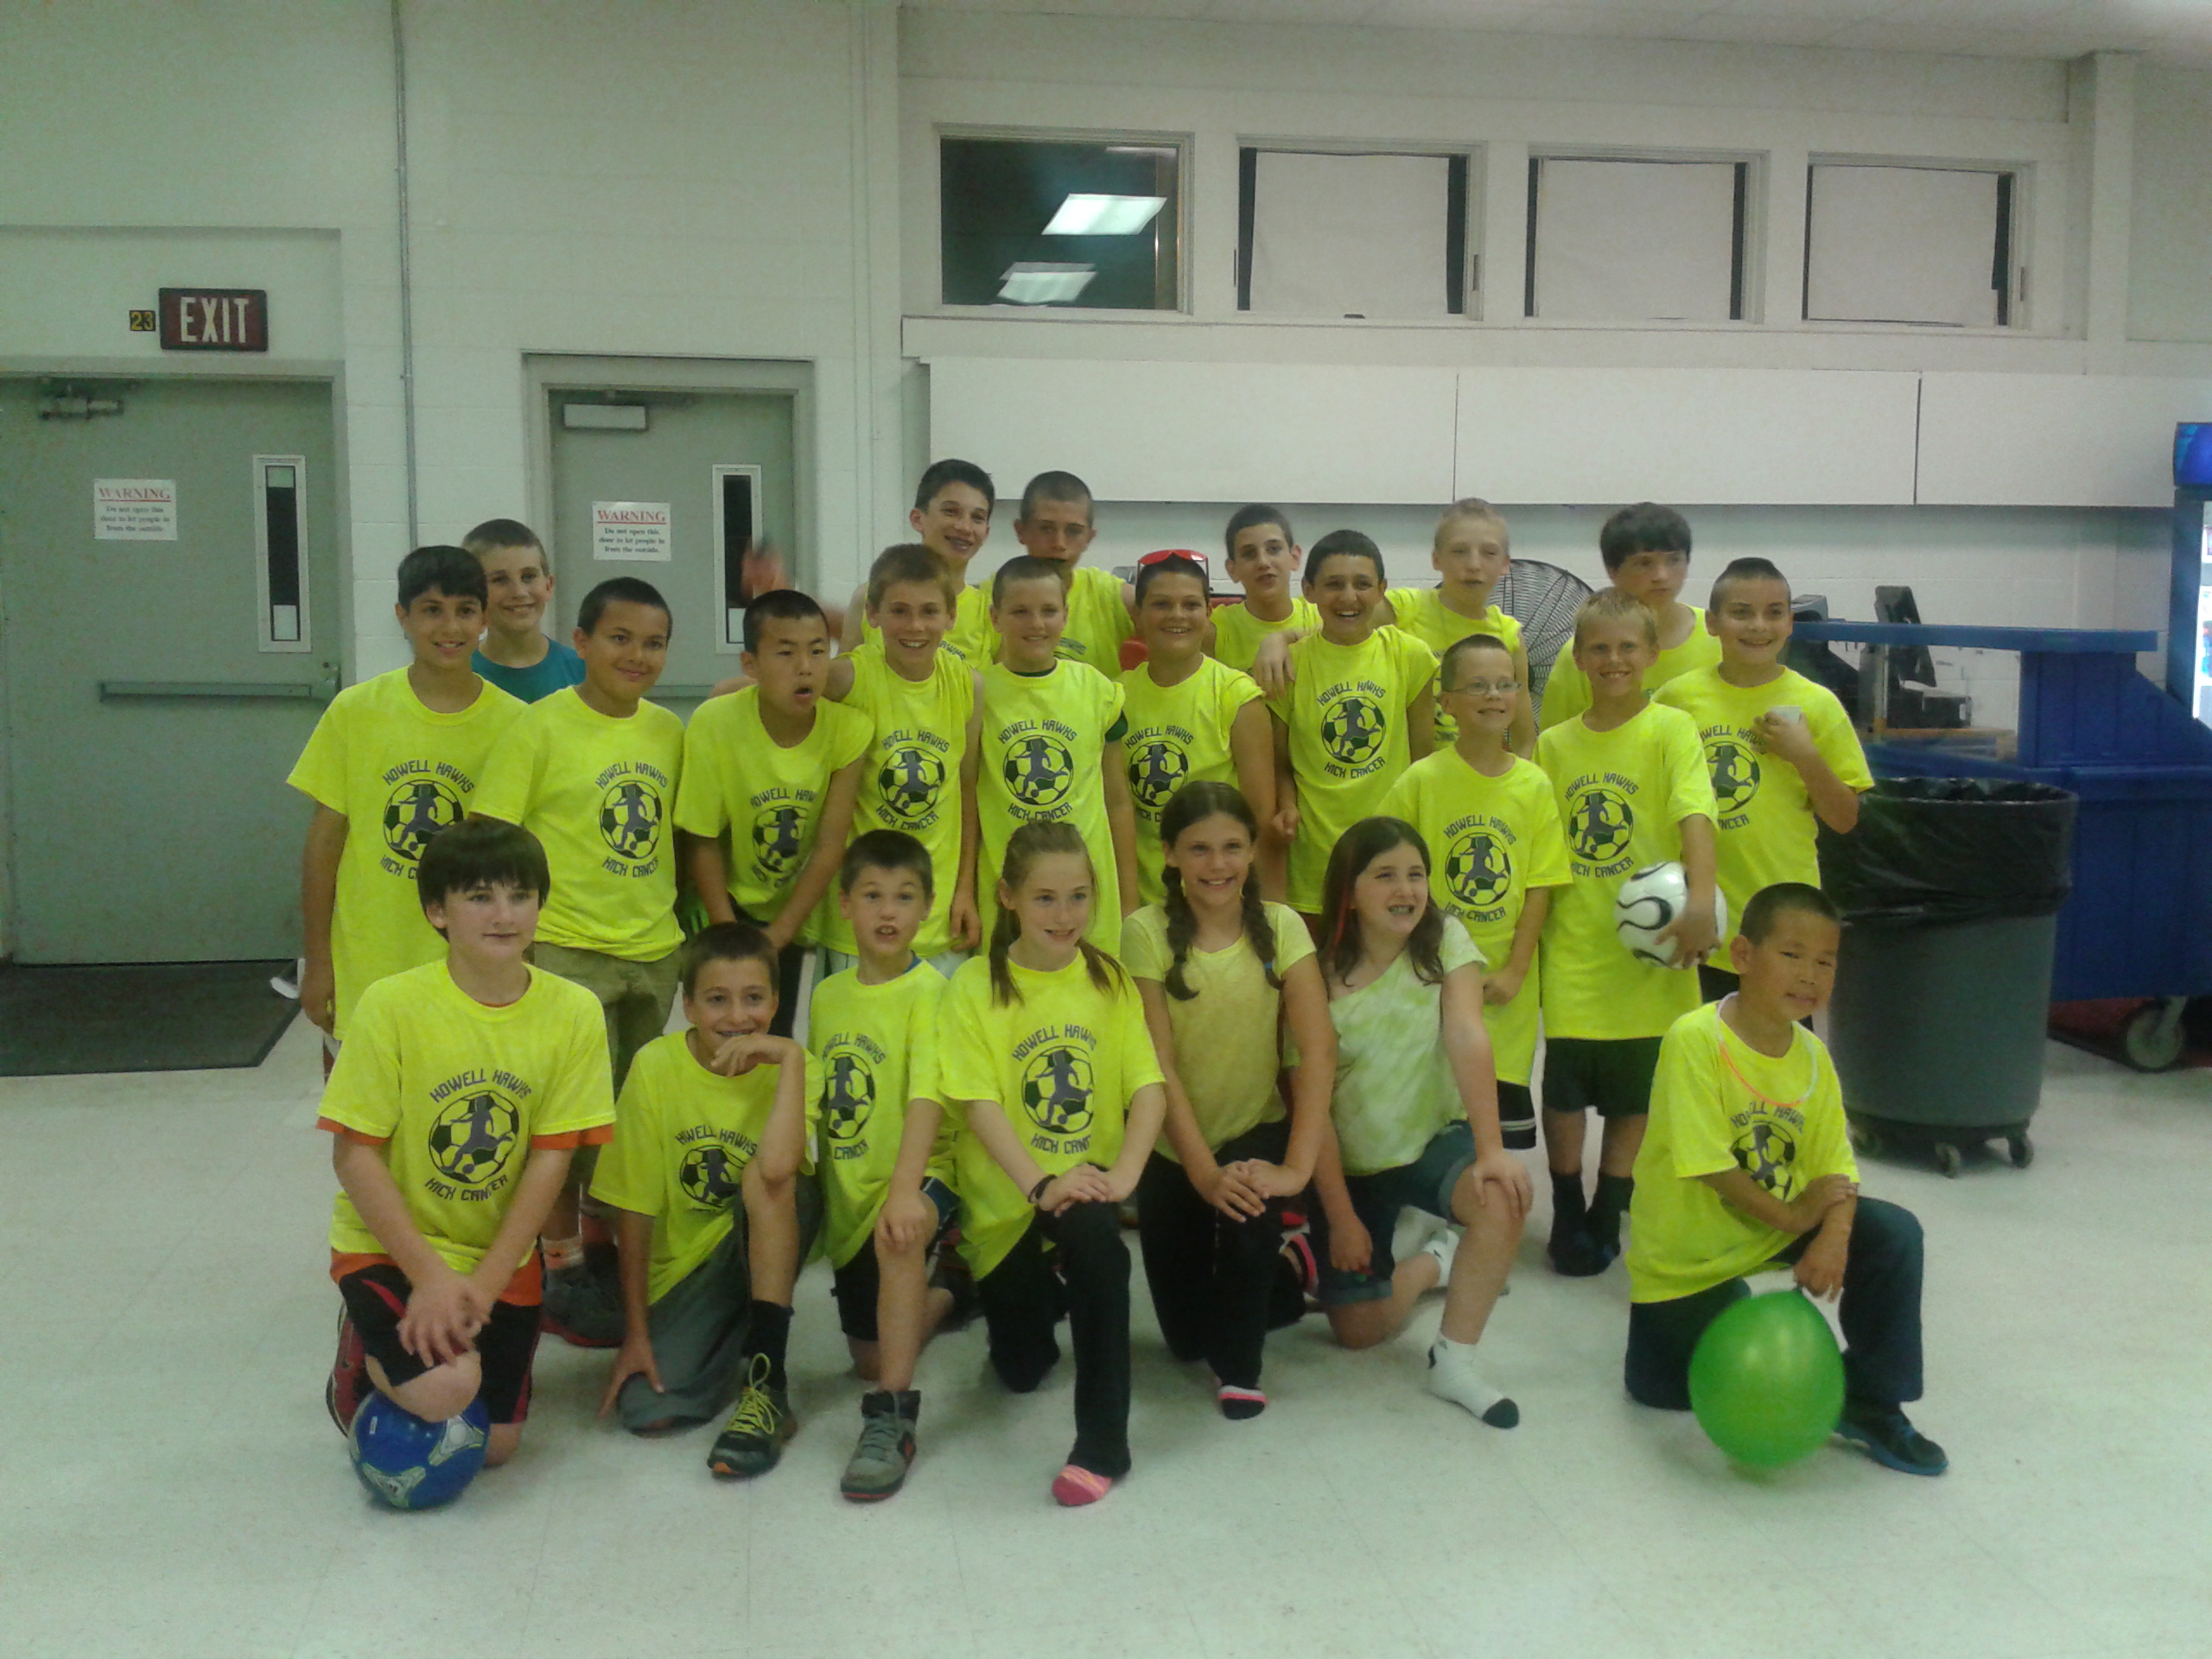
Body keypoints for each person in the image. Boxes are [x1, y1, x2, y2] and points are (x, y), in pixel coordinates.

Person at [320, 819, 615, 1471]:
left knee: (497, 1448)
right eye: (480, 897)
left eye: (520, 896)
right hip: (390, 1246)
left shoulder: (575, 1012)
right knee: (446, 1389)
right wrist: (428, 1277)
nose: (504, 914)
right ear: (437, 912)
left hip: (495, 1254)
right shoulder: (391, 1005)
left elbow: (552, 1160)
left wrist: (484, 1284)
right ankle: (363, 1350)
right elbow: (353, 1155)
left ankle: (428, 1346)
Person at [1624, 883, 1945, 1476]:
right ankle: (1727, 1301)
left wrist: (1833, 1237)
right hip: (1688, 1262)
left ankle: (1873, 1401)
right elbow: (1711, 1167)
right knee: (1661, 1394)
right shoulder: (1695, 1039)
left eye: (1826, 962)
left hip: (1773, 1231)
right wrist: (1799, 1219)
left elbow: (1836, 1168)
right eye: (1792, 955)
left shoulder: (1815, 1057)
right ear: (1743, 955)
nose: (1809, 975)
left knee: (1894, 1234)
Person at [472, 575, 685, 1342]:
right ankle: (557, 1262)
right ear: (582, 643)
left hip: (652, 951)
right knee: (562, 1118)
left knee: (624, 1117)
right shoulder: (538, 727)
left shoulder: (670, 732)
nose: (637, 655)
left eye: (654, 643)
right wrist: (506, 947)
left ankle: (599, 1246)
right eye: (620, 639)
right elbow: (492, 836)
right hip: (566, 950)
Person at [938, 820, 1167, 1505]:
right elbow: (978, 1105)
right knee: (1022, 1368)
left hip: (1084, 1183)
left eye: (1078, 897)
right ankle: (1031, 1290)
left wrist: (1124, 1178)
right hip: (1011, 1198)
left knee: (1101, 1249)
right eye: (1045, 898)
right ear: (1007, 896)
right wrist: (1039, 1184)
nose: (1064, 915)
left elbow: (1148, 1088)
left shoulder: (1109, 979)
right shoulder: (972, 986)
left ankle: (1102, 1446)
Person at [1305, 817, 1530, 1427]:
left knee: (1503, 1195)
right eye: (1385, 876)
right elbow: (1313, 1109)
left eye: (1415, 874)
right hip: (1353, 1168)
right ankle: (1438, 1260)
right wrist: (1342, 1218)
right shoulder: (1317, 975)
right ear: (1350, 892)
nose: (1405, 889)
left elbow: (1467, 1034)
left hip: (1431, 1141)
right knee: (1358, 1332)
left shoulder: (1445, 940)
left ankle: (1454, 1360)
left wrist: (1492, 1151)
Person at [1123, 782, 1333, 1419]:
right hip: (1174, 1144)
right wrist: (1202, 1174)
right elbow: (1159, 1066)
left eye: (1233, 848)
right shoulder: (1145, 932)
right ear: (1169, 854)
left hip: (1252, 1131)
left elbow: (1317, 1050)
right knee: (1187, 1341)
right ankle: (1288, 1272)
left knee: (1245, 1229)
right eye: (1200, 849)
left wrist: (1294, 1171)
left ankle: (1242, 1369)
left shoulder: (1283, 926)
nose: (1218, 865)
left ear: (1252, 850)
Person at [1535, 590, 1719, 1277]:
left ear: (1652, 654)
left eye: (1627, 648)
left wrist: (1700, 902)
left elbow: (1696, 815)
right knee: (1565, 1088)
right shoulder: (1554, 745)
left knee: (1633, 1094)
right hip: (1575, 942)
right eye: (1600, 649)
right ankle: (1566, 1205)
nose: (1614, 660)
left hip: (1654, 949)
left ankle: (1609, 1206)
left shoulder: (1672, 730)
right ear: (1580, 659)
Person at [590, 923, 818, 1478]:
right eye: (717, 1000)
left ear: (776, 1002)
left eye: (754, 998)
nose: (737, 1017)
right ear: (688, 1006)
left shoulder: (796, 1065)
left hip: (769, 1226)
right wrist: (636, 1333)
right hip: (687, 1269)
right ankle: (739, 1332)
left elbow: (779, 1169)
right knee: (647, 1411)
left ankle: (767, 1383)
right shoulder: (655, 1066)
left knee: (770, 1180)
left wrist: (790, 1060)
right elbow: (633, 1209)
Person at [290, 545, 524, 1057]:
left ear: (485, 619)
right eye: (432, 610)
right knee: (364, 1105)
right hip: (369, 961)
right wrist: (318, 961)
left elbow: (523, 859)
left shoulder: (517, 723)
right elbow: (324, 844)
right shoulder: (355, 711)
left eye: (465, 610)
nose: (451, 627)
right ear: (403, 616)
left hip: (473, 967)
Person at [810, 831, 967, 1500]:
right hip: (853, 1181)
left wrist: (905, 1192)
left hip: (926, 1170)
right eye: (872, 895)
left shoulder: (934, 992)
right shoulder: (827, 996)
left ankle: (891, 1418)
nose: (888, 911)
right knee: (868, 1357)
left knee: (898, 1234)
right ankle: (955, 1290)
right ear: (845, 905)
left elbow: (928, 1097)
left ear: (926, 908)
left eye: (904, 897)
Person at [1381, 633, 1570, 1153]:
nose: (1494, 696)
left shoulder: (1534, 785)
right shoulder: (1421, 781)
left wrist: (1515, 970)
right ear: (1447, 703)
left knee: (1495, 1133)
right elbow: (1385, 872)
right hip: (1432, 981)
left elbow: (1541, 885)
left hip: (1504, 989)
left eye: (1506, 684)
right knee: (1440, 1126)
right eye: (1478, 686)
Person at [1655, 556, 1872, 1000]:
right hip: (1698, 919)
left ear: (1790, 623)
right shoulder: (1676, 699)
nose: (1758, 625)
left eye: (1773, 613)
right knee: (1702, 1040)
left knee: (1779, 1038)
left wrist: (1805, 757)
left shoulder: (1818, 705)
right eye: (1741, 612)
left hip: (1785, 924)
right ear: (1712, 623)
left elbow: (1845, 818)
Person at [676, 589, 868, 1033]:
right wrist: (728, 932)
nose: (805, 667)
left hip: (791, 912)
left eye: (817, 651)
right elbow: (702, 838)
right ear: (750, 664)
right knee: (718, 1028)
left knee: (769, 1032)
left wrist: (778, 935)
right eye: (785, 653)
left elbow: (829, 846)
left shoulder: (849, 730)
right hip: (719, 902)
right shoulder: (714, 722)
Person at [816, 543, 984, 976]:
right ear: (872, 614)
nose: (915, 626)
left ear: (951, 616)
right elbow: (783, 685)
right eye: (900, 611)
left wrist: (965, 890)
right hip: (860, 923)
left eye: (930, 611)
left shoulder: (968, 685)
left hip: (937, 918)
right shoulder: (850, 677)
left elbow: (966, 793)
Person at [1267, 530, 1437, 925]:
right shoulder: (1290, 665)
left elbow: (1423, 761)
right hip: (1314, 862)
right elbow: (1279, 762)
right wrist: (1288, 806)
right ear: (1308, 591)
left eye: (1362, 584)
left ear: (1381, 590)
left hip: (1390, 860)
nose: (1348, 597)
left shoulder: (1409, 656)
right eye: (1334, 584)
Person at [976, 555, 1140, 954]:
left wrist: (1129, 900)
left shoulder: (1097, 690)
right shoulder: (975, 694)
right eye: (1020, 612)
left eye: (1048, 611)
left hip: (1088, 901)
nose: (1036, 624)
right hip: (1006, 899)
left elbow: (1118, 802)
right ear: (995, 618)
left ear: (1065, 615)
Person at [1117, 554, 1271, 907]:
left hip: (1220, 901)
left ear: (1208, 612)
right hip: (1144, 903)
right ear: (1138, 615)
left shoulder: (1237, 696)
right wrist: (1127, 905)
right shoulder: (1115, 696)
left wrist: (1257, 910)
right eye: (1161, 604)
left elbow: (1260, 820)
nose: (1177, 615)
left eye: (1190, 605)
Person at [1539, 503, 1721, 730]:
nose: (1661, 576)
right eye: (1644, 563)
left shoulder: (1719, 636)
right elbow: (1557, 739)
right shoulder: (1587, 651)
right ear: (1613, 571)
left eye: (1674, 560)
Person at [1382, 499, 1535, 757]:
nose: (1474, 564)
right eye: (1459, 551)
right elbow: (1329, 624)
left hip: (1479, 772)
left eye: (1489, 553)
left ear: (1505, 564)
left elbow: (1525, 740)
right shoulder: (1403, 609)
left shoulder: (1508, 635)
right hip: (1410, 772)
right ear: (1436, 559)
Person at [844, 460, 999, 664]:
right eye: (951, 512)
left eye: (977, 518)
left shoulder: (991, 612)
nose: (964, 527)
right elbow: (843, 677)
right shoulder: (869, 596)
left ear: (986, 532)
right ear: (918, 519)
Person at [1007, 469, 1135, 670]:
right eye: (1046, 529)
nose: (1059, 543)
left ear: (1089, 538)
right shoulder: (989, 599)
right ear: (1021, 531)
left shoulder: (1110, 596)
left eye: (1073, 531)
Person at [464, 518, 588, 702]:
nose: (519, 592)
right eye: (499, 580)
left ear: (548, 585)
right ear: (473, 591)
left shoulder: (586, 672)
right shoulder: (456, 674)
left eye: (528, 576)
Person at [1209, 504, 1318, 676]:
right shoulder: (1216, 629)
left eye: (1274, 549)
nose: (1263, 562)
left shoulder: (1320, 615)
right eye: (1249, 554)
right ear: (1232, 570)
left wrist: (1285, 637)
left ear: (1294, 557)